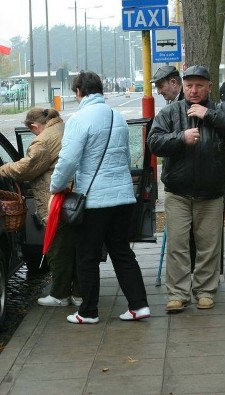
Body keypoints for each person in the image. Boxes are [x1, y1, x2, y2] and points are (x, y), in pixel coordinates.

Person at [50, 70, 150, 324]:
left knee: (87, 255)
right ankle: (139, 305)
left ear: (79, 92)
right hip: (123, 197)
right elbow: (126, 156)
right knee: (122, 252)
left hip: (94, 200)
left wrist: (56, 186)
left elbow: (68, 159)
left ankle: (88, 311)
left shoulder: (79, 119)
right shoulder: (117, 116)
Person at [147, 65, 225, 313]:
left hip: (211, 193)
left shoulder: (223, 110)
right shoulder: (171, 113)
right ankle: (178, 294)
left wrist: (209, 115)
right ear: (183, 85)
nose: (193, 90)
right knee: (178, 245)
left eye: (199, 85)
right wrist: (180, 138)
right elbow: (154, 142)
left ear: (209, 87)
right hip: (178, 193)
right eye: (189, 85)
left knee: (208, 246)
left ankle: (204, 290)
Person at [0, 108, 82, 308]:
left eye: (32, 131)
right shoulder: (63, 127)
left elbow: (26, 169)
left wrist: (4, 169)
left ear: (34, 126)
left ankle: (60, 294)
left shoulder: (42, 141)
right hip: (73, 198)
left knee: (57, 250)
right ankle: (80, 293)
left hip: (55, 201)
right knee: (75, 248)